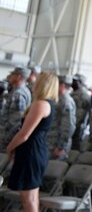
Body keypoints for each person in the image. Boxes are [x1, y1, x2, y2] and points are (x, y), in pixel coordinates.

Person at [6, 72, 58, 212]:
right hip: (33, 151)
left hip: (31, 152)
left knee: (28, 197)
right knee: (31, 197)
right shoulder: (47, 104)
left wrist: (10, 147)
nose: (33, 83)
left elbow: (24, 134)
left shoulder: (41, 104)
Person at [0, 67, 32, 152]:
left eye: (12, 74)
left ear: (18, 76)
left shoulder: (18, 94)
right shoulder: (22, 91)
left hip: (6, 137)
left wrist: (6, 139)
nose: (9, 76)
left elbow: (16, 121)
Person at [46, 75, 76, 161]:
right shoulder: (56, 98)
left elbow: (69, 126)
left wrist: (60, 147)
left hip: (56, 144)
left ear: (62, 85)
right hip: (50, 141)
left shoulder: (65, 101)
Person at [71, 73, 91, 151]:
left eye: (75, 81)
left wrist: (71, 125)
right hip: (72, 125)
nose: (72, 82)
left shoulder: (83, 95)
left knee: (74, 147)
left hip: (77, 127)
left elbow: (80, 115)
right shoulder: (74, 93)